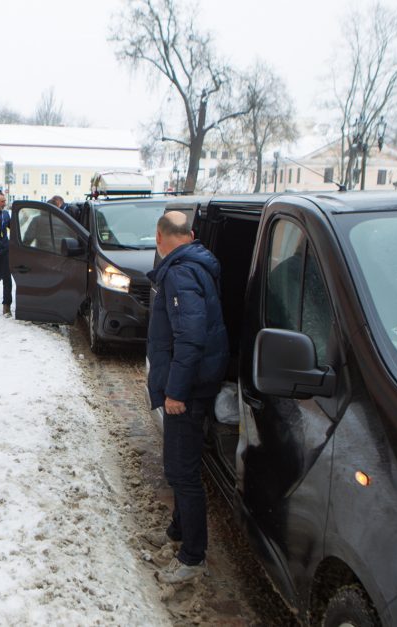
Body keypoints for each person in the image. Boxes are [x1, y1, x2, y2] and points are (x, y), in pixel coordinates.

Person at [146, 211, 229, 583]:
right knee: (178, 469)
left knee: (183, 472)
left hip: (187, 390)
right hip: (196, 382)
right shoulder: (197, 264)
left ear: (160, 238)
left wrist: (176, 391)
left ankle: (193, 557)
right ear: (191, 235)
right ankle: (177, 535)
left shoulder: (180, 272)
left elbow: (191, 338)